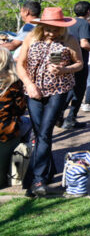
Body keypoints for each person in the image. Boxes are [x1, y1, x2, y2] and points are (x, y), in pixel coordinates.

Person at [15, 7, 83, 196]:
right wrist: (29, 85)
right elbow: (20, 64)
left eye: (55, 29)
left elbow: (79, 64)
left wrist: (64, 70)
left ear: (62, 27)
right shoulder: (31, 37)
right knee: (39, 133)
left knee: (44, 132)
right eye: (48, 28)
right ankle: (45, 172)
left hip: (58, 90)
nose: (51, 33)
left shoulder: (69, 39)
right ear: (41, 26)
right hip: (34, 91)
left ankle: (38, 180)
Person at [61, 1, 90, 130]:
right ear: (88, 11)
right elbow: (84, 44)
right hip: (79, 61)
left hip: (65, 62)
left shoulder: (68, 22)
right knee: (78, 90)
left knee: (67, 89)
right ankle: (70, 119)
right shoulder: (84, 23)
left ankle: (58, 115)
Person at [0, 47, 26, 188]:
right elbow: (20, 109)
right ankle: (17, 170)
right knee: (27, 124)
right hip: (5, 130)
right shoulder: (14, 82)